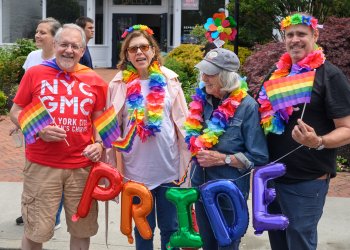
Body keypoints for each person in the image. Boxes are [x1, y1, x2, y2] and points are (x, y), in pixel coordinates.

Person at [256, 13, 350, 250]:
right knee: (278, 240)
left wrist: (317, 141)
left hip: (307, 180)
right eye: (290, 35)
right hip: (271, 178)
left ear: (315, 35)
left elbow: (347, 129)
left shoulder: (330, 75)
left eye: (301, 34)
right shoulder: (276, 74)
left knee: (299, 240)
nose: (295, 40)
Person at [9, 23, 107, 250]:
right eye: (64, 44)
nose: (69, 50)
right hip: (42, 166)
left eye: (75, 46)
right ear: (55, 45)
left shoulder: (95, 80)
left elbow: (99, 121)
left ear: (83, 50)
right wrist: (37, 128)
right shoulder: (35, 73)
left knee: (82, 230)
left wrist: (100, 144)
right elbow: (15, 111)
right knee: (36, 231)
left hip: (83, 168)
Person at [104, 24, 190, 250]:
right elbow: (111, 127)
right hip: (135, 173)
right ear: (127, 55)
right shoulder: (118, 83)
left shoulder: (169, 79)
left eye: (144, 47)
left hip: (168, 169)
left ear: (153, 50)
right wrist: (110, 164)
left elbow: (184, 122)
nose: (139, 52)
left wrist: (193, 154)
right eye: (133, 49)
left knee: (171, 227)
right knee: (143, 230)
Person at [188, 48, 269, 250]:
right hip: (201, 187)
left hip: (228, 194)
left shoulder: (247, 106)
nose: (204, 77)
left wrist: (222, 159)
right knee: (207, 244)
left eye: (210, 73)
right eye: (203, 72)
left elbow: (259, 156)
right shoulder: (201, 100)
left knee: (226, 245)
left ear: (226, 76)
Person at [13, 17, 64, 230]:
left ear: (54, 39)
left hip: (56, 127)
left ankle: (54, 217)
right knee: (33, 169)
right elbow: (24, 94)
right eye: (37, 31)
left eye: (43, 32)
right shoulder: (33, 57)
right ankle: (31, 211)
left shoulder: (64, 59)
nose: (37, 35)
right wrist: (19, 121)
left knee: (57, 172)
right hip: (33, 125)